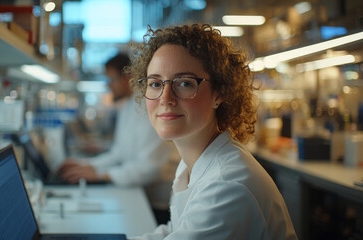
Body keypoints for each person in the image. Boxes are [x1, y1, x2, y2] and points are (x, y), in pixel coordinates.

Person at [126, 24, 297, 239]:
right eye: (155, 83)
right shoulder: (193, 164)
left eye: (185, 83)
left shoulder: (226, 185)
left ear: (219, 93)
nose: (165, 98)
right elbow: (176, 231)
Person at [59, 53, 175, 186]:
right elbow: (119, 153)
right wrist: (87, 164)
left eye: (112, 80)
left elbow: (150, 167)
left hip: (156, 200)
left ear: (128, 77)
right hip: (139, 192)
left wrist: (101, 175)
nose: (109, 86)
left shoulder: (147, 107)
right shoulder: (128, 106)